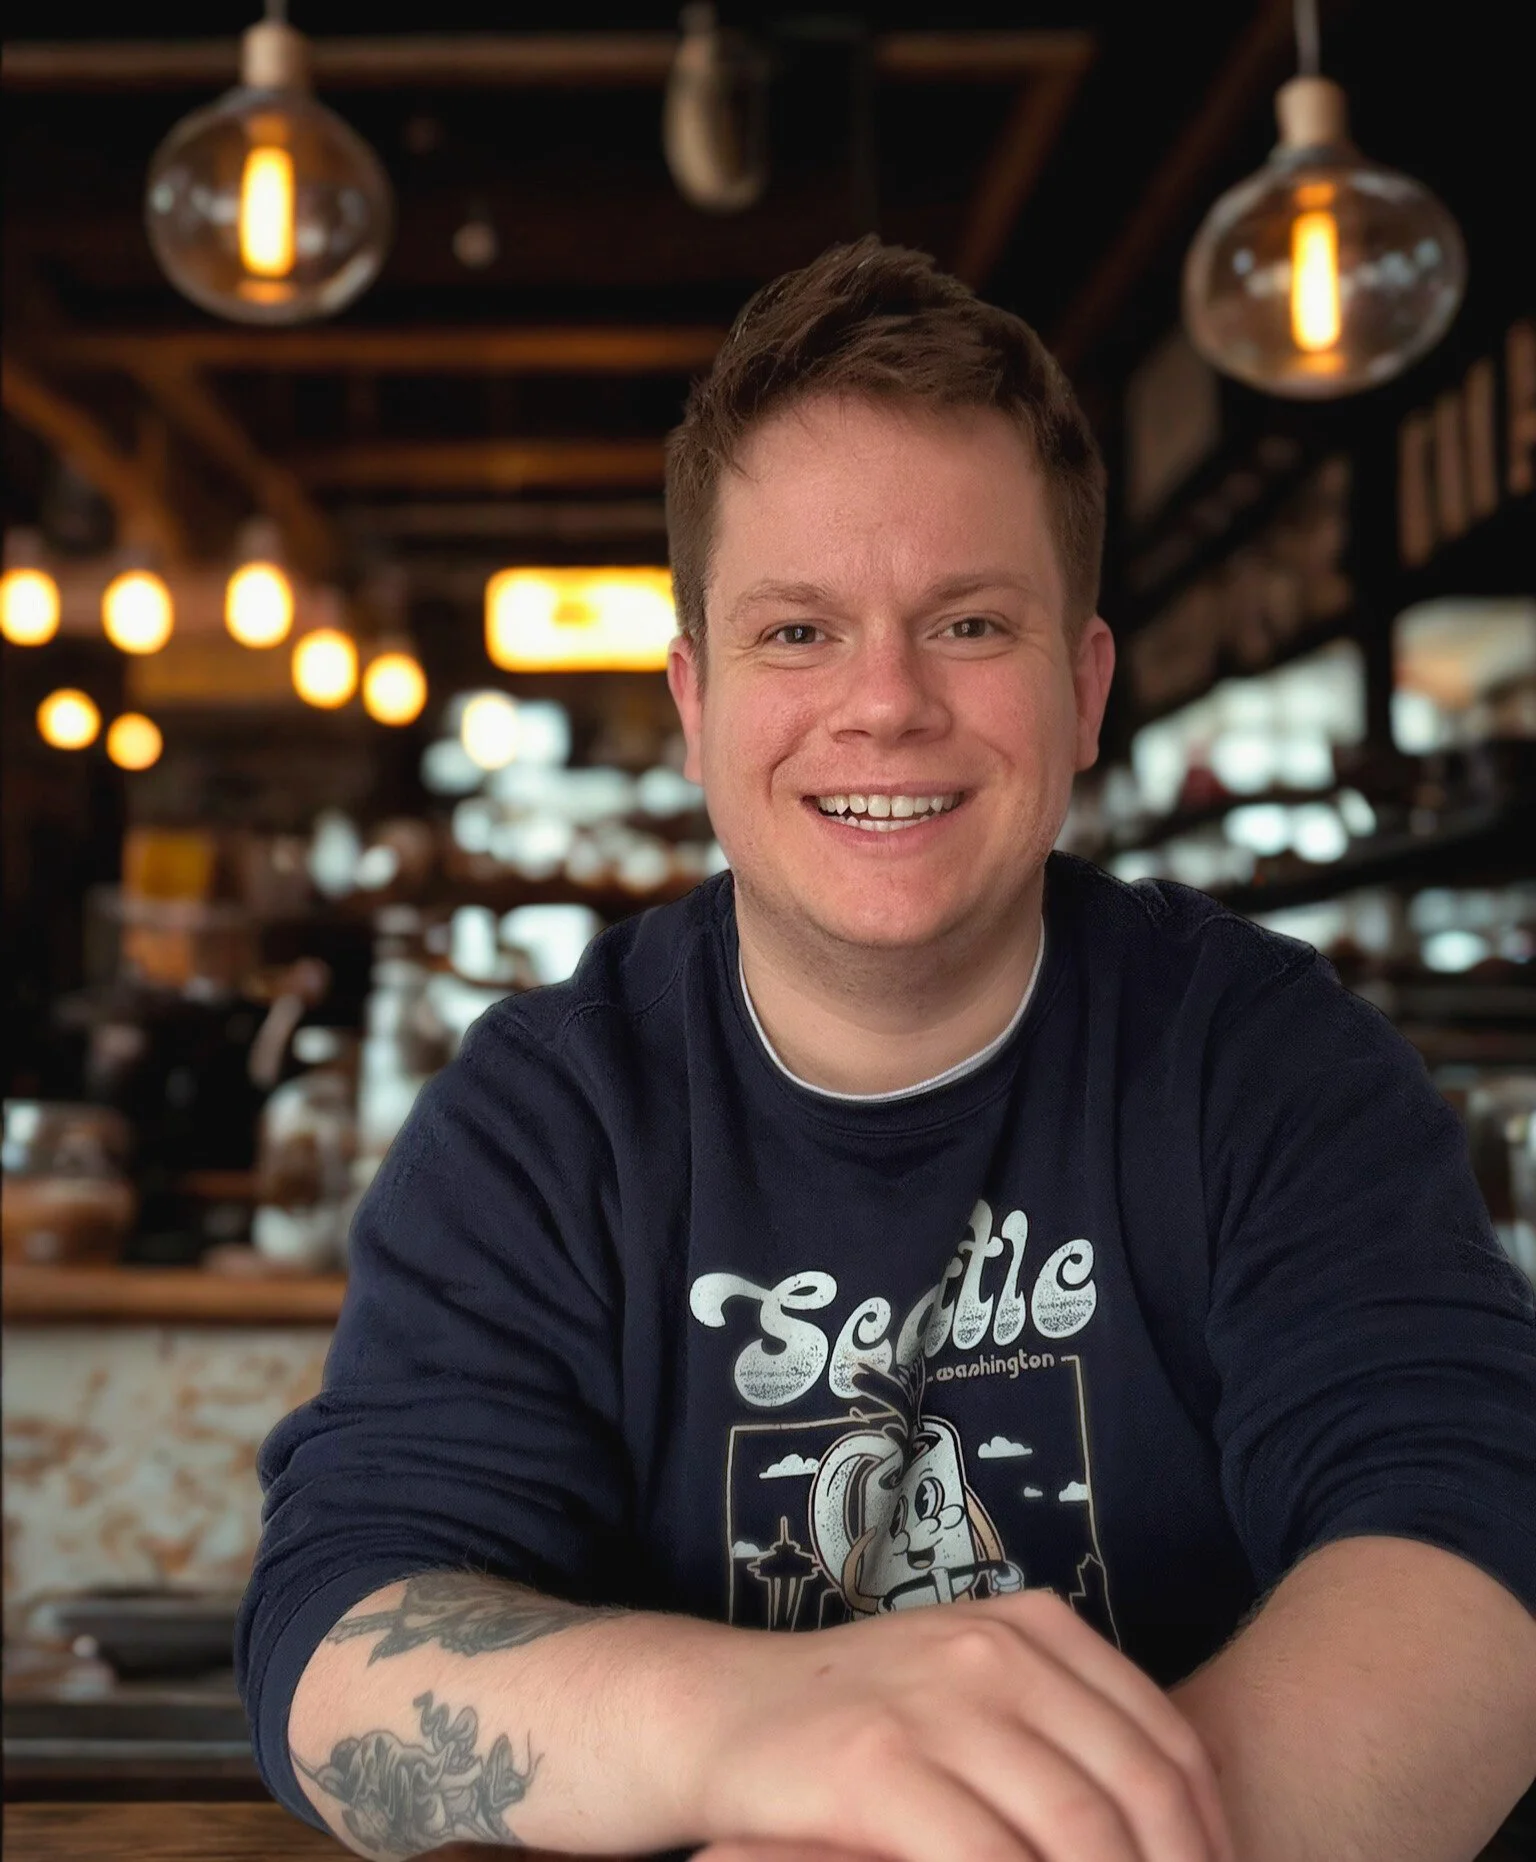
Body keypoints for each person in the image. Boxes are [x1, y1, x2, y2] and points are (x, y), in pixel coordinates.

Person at [236, 239, 1536, 1862]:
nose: (885, 703)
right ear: (695, 704)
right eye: (797, 633)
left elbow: (1474, 1548)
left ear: (1083, 687)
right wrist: (767, 1726)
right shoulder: (547, 1115)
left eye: (970, 622)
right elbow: (337, 1632)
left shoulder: (1269, 1062)